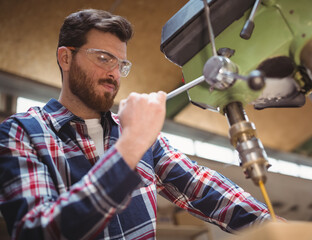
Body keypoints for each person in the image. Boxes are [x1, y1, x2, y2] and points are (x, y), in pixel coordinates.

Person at [0, 9, 273, 240]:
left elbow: (199, 186)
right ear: (66, 58)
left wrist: (269, 224)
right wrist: (130, 145)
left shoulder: (138, 134)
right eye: (104, 58)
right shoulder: (22, 132)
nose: (114, 74)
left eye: (121, 64)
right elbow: (35, 230)